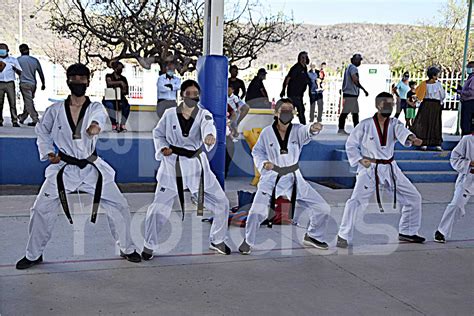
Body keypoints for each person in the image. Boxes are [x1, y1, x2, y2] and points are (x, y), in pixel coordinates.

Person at [15, 63, 141, 269]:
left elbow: (99, 119)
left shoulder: (95, 108)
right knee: (40, 209)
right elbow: (42, 130)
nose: (78, 83)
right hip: (64, 167)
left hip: (92, 167)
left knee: (120, 205)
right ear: (68, 81)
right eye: (74, 79)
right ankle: (33, 254)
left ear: (88, 82)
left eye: (82, 79)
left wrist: (95, 127)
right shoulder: (55, 110)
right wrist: (48, 152)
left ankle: (127, 248)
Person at [142, 79, 232, 260]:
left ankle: (217, 239)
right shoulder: (169, 114)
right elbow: (158, 133)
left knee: (222, 203)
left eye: (195, 94)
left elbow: (209, 126)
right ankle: (149, 245)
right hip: (172, 163)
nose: (192, 97)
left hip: (196, 164)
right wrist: (162, 148)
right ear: (181, 95)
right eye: (188, 94)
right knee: (158, 207)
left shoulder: (204, 114)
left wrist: (209, 136)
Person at [238, 98, 331, 255]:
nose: (287, 113)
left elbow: (307, 131)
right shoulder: (267, 132)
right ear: (276, 113)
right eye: (284, 110)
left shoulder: (298, 130)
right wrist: (263, 163)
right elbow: (257, 151)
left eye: (290, 110)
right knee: (256, 212)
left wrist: (314, 128)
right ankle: (248, 241)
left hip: (294, 178)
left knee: (322, 208)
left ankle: (313, 235)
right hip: (272, 178)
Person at [336, 92, 425, 248]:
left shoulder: (394, 123)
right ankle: (343, 235)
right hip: (369, 168)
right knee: (355, 201)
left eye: (391, 104)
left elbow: (403, 133)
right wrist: (358, 159)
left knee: (414, 197)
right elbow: (351, 144)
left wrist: (413, 139)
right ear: (378, 105)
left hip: (390, 167)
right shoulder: (365, 125)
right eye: (386, 104)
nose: (389, 107)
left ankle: (408, 231)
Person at [434, 114, 473, 243]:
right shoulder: (468, 140)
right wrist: (469, 163)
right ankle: (441, 231)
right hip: (469, 176)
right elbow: (454, 158)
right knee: (456, 204)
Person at [411, 66, 446, 151]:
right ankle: (436, 143)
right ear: (433, 76)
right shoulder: (438, 84)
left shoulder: (424, 84)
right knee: (435, 123)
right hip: (435, 105)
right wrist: (441, 102)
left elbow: (418, 94)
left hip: (426, 104)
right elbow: (442, 95)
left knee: (424, 123)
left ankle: (424, 143)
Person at [337, 53, 369, 135]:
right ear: (354, 60)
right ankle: (342, 129)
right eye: (358, 60)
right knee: (347, 112)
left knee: (355, 112)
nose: (360, 62)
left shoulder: (348, 67)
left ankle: (356, 129)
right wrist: (363, 89)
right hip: (351, 94)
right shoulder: (353, 68)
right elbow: (355, 79)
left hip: (349, 93)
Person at [17, 44, 45, 127]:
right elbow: (40, 72)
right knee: (28, 101)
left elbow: (15, 71)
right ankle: (22, 117)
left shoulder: (18, 60)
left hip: (24, 83)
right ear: (28, 50)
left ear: (20, 51)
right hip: (33, 84)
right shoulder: (34, 60)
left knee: (28, 102)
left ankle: (35, 119)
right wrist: (43, 83)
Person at [280, 51, 310, 124]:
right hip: (293, 93)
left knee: (300, 111)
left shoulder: (304, 68)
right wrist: (283, 89)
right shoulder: (296, 68)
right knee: (299, 110)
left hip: (299, 94)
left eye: (305, 58)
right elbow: (288, 78)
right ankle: (302, 127)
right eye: (302, 58)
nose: (303, 59)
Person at [103, 61, 130, 132]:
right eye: (119, 68)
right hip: (110, 98)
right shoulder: (109, 76)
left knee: (126, 106)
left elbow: (126, 90)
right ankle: (114, 124)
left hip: (120, 98)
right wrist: (120, 83)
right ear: (115, 69)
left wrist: (123, 89)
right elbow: (109, 83)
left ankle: (122, 124)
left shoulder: (124, 78)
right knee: (109, 105)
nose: (121, 70)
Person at [0, 43, 22, 127]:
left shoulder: (13, 60)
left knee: (12, 103)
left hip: (10, 83)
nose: (1, 51)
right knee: (0, 103)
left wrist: (15, 69)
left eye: (3, 49)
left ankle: (14, 120)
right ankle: (0, 120)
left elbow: (20, 72)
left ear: (7, 50)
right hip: (0, 83)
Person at [457, 61, 474, 136]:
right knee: (464, 122)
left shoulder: (473, 79)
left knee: (467, 122)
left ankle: (466, 138)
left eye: (469, 67)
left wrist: (460, 92)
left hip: (470, 102)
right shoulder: (470, 78)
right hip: (466, 102)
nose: (468, 69)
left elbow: (471, 92)